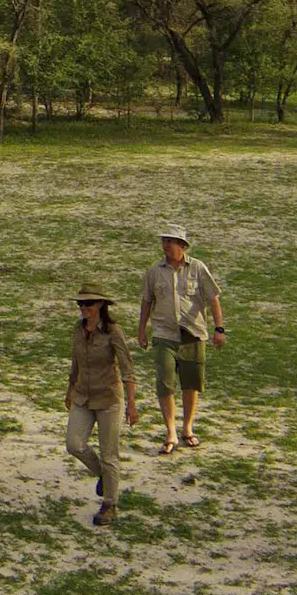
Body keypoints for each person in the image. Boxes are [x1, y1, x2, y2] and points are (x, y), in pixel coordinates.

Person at [136, 224, 226, 452]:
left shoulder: (197, 268)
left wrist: (219, 328)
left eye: (171, 240)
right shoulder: (154, 271)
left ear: (182, 245)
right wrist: (142, 329)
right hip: (164, 334)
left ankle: (187, 428)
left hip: (193, 333)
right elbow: (147, 300)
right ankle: (170, 431)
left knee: (191, 383)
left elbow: (213, 298)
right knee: (165, 383)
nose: (166, 245)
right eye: (164, 240)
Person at [64, 286, 138, 525]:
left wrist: (131, 404)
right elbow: (75, 362)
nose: (83, 309)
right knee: (74, 444)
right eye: (81, 305)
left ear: (99, 306)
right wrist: (70, 389)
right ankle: (105, 477)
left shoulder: (113, 331)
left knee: (109, 454)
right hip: (83, 396)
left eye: (88, 304)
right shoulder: (78, 329)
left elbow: (127, 367)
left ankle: (110, 503)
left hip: (108, 398)